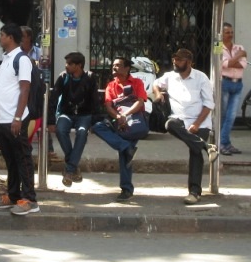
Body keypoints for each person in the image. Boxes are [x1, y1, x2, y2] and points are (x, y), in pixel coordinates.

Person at [151, 48, 215, 205]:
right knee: (169, 124)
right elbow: (155, 83)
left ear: (189, 62)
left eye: (179, 60)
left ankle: (194, 192)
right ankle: (206, 147)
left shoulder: (201, 78)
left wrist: (196, 124)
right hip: (179, 119)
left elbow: (208, 105)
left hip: (200, 120)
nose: (175, 62)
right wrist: (158, 94)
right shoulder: (170, 77)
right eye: (174, 59)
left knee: (194, 152)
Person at [0, 23, 39, 215]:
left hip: (15, 119)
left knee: (23, 159)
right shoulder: (6, 59)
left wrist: (18, 117)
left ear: (10, 37)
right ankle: (13, 195)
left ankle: (29, 199)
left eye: (1, 35)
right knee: (10, 160)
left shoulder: (22, 59)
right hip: (1, 119)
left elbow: (25, 89)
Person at [92, 57, 150, 202]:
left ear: (127, 68)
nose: (114, 68)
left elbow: (140, 101)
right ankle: (125, 147)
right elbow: (108, 106)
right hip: (117, 121)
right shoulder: (111, 85)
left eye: (118, 65)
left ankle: (126, 189)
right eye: (113, 65)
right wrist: (118, 117)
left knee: (124, 155)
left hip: (134, 121)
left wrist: (125, 114)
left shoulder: (137, 83)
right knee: (98, 127)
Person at [49, 51, 99, 187]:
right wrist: (51, 121)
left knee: (82, 132)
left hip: (84, 114)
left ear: (79, 65)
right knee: (60, 130)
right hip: (66, 113)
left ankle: (70, 168)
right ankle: (73, 166)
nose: (66, 66)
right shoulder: (63, 77)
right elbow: (53, 99)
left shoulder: (90, 78)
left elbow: (95, 100)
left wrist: (94, 121)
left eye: (70, 64)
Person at [219, 22, 246, 155]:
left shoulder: (239, 47)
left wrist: (233, 61)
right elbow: (223, 65)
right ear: (221, 34)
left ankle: (223, 142)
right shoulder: (217, 46)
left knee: (232, 115)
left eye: (231, 32)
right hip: (225, 83)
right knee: (224, 115)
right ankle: (223, 143)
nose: (230, 35)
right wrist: (239, 56)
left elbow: (243, 65)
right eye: (227, 32)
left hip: (238, 84)